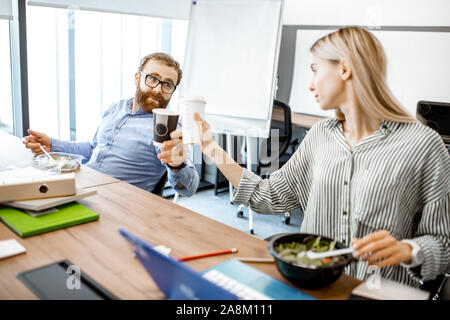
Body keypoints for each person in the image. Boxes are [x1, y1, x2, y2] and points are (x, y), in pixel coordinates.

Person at [194, 26, 450, 287]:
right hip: (315, 286)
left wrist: (409, 250)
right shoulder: (320, 136)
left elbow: (443, 245)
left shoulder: (423, 144)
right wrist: (210, 147)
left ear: (344, 68)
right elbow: (268, 196)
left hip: (379, 291)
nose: (310, 84)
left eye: (315, 69)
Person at [24, 52, 199, 197]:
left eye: (167, 84)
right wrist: (52, 144)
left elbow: (188, 189)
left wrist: (178, 164)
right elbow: (93, 149)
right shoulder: (117, 107)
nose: (158, 89)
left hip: (116, 204)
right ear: (137, 78)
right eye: (153, 79)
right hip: (82, 188)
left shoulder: (168, 127)